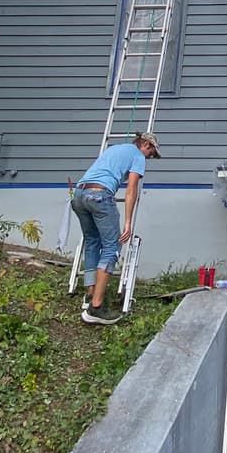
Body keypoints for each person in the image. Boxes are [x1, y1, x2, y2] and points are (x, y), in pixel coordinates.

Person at [70, 131, 161, 325]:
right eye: (151, 153)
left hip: (79, 194)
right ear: (146, 145)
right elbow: (131, 189)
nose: (150, 157)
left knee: (92, 241)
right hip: (99, 196)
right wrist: (127, 222)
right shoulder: (137, 156)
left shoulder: (114, 149)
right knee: (112, 247)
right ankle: (96, 308)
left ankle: (90, 294)